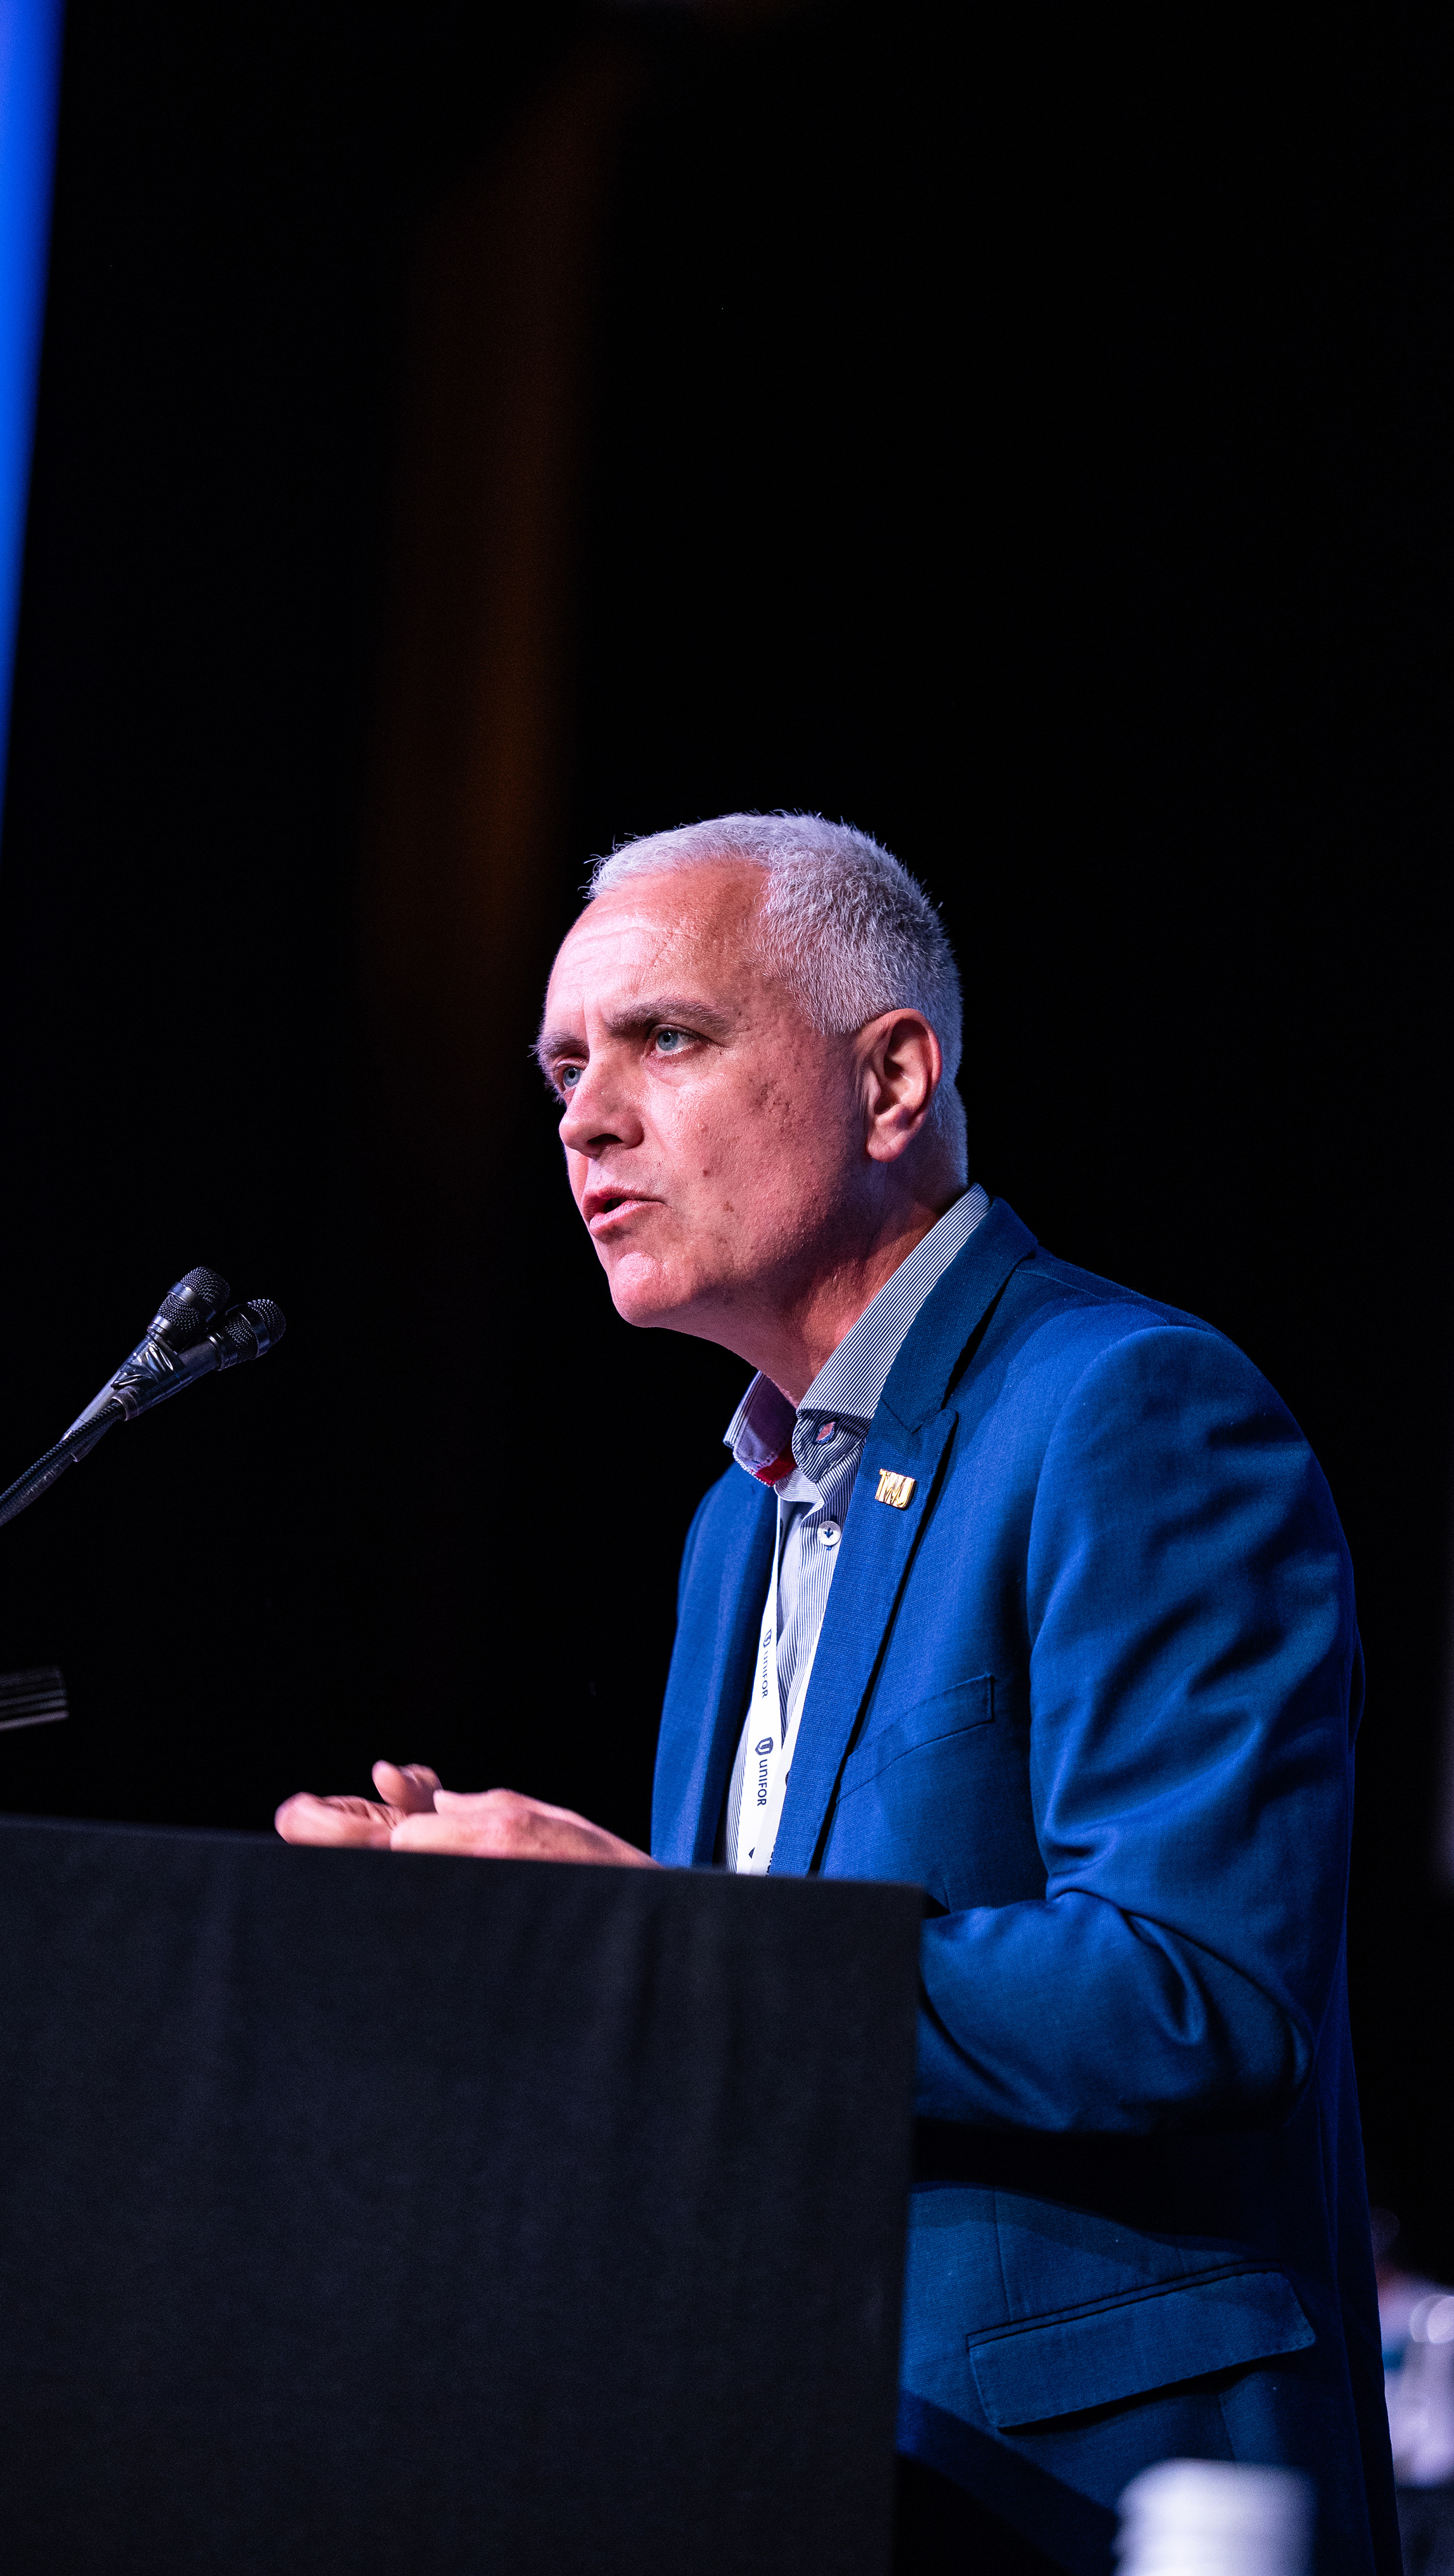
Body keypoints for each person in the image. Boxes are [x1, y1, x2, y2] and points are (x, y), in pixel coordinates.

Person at [277, 812, 1397, 2575]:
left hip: (1078, 2495)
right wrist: (505, 1944)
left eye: (667, 1038)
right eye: (566, 1065)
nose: (584, 1116)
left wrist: (669, 1942)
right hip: (785, 2459)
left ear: (891, 1079)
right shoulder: (737, 1521)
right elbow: (745, 2039)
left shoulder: (1133, 1410)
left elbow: (1201, 1991)